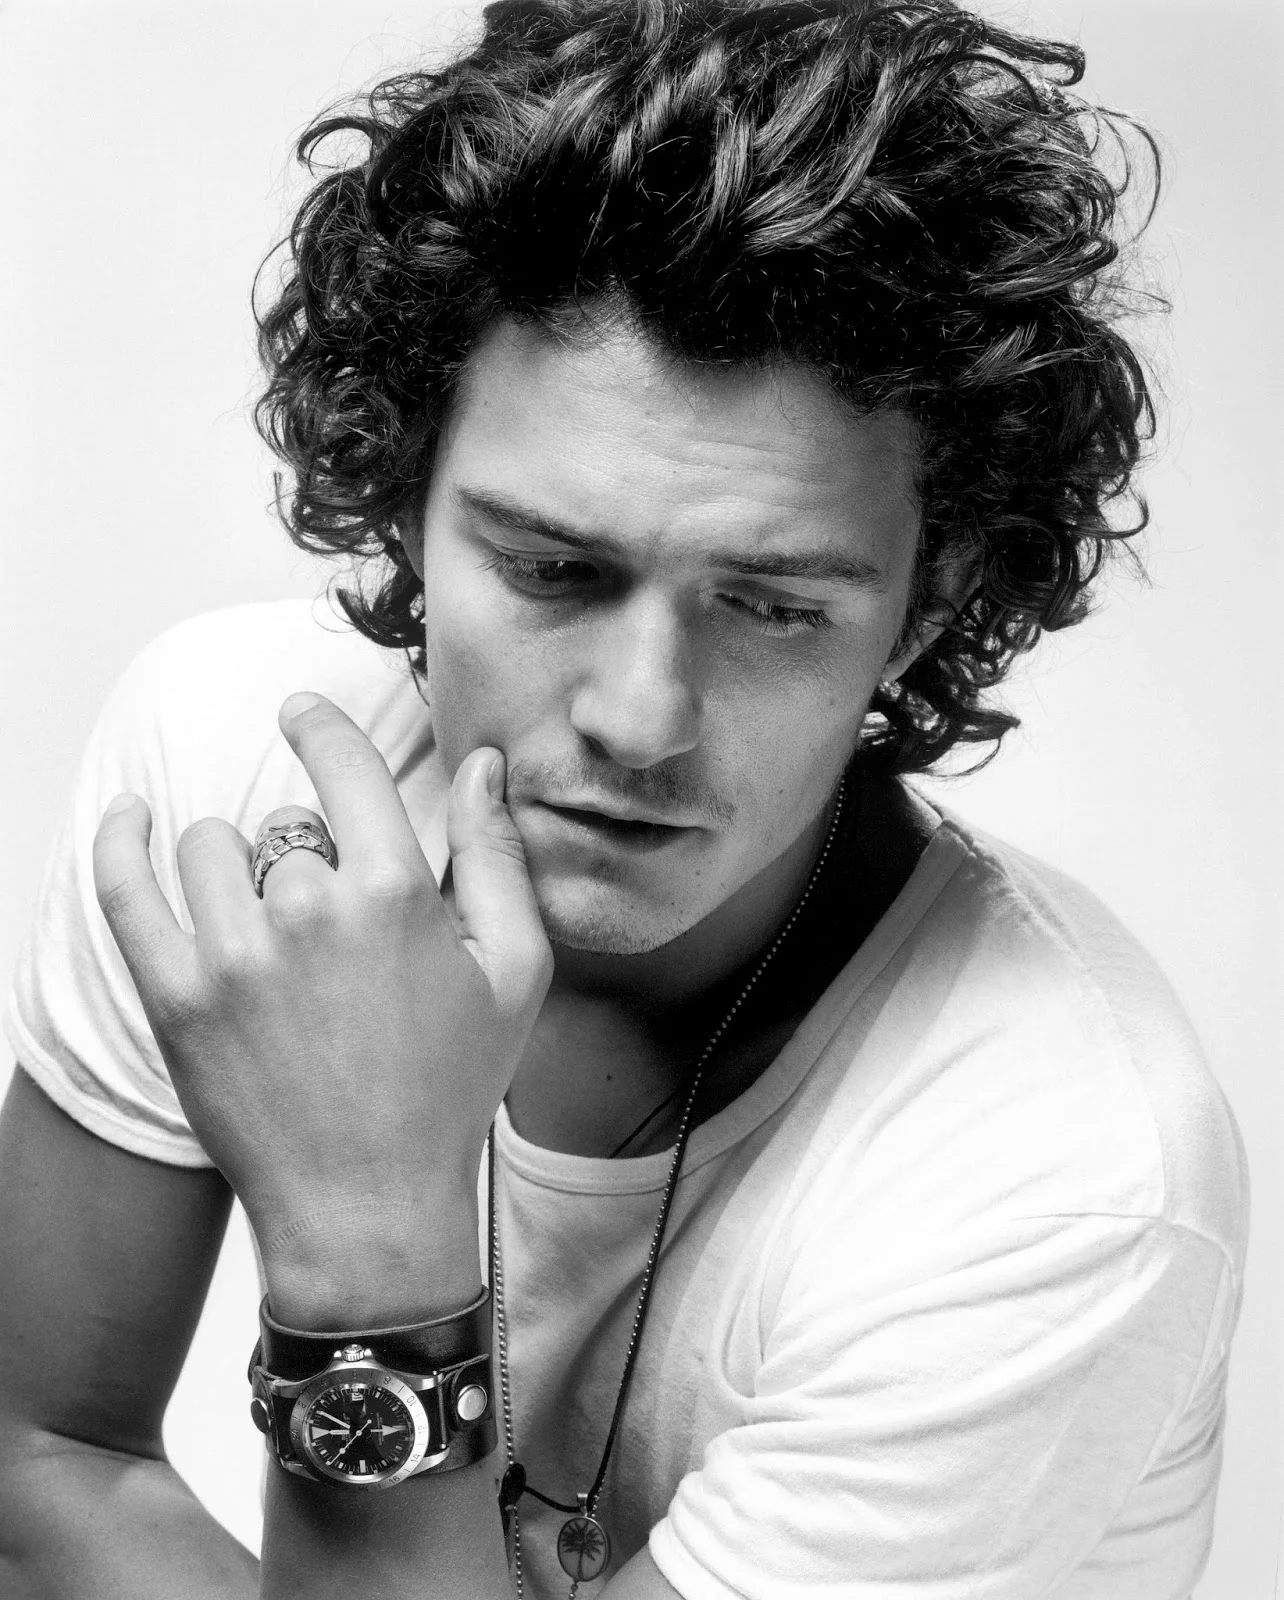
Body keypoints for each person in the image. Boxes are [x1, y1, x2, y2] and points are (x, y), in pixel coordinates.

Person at [0, 0, 1248, 1596]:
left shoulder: (1060, 1179)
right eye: (551, 569)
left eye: (773, 605)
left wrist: (370, 1245)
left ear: (926, 605)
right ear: (402, 497)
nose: (640, 719)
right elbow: (41, 1459)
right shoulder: (236, 779)